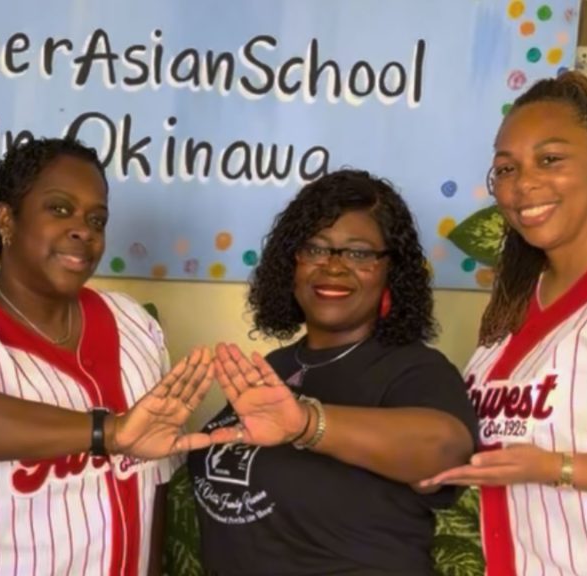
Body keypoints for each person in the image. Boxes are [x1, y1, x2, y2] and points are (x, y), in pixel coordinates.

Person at [0, 137, 215, 576]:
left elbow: (151, 483)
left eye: (96, 219)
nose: (83, 229)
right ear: (6, 219)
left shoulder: (133, 324)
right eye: (59, 209)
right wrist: (109, 432)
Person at [186, 169, 479, 575]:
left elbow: (445, 451)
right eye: (316, 249)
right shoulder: (277, 367)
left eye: (359, 253)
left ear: (391, 271)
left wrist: (307, 423)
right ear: (293, 264)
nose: (334, 267)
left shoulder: (413, 369)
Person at [421, 72, 587, 575]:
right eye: (506, 169)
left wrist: (557, 467)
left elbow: (539, 460)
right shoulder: (513, 301)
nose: (524, 184)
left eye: (550, 160)